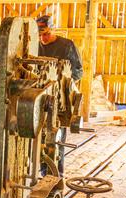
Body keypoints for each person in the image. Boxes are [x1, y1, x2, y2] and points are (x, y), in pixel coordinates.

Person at [36, 15, 83, 177]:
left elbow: (78, 71)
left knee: (55, 140)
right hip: (37, 98)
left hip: (59, 100)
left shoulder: (66, 45)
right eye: (40, 34)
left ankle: (56, 176)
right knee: (36, 138)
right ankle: (39, 172)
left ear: (53, 29)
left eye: (46, 34)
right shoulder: (34, 45)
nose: (43, 38)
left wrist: (62, 83)